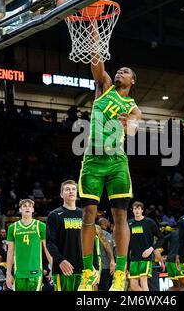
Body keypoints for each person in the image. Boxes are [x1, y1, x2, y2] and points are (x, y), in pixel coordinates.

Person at [78, 23, 142, 292]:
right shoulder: (104, 86)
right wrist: (94, 27)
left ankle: (120, 273)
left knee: (120, 216)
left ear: (133, 81)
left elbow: (133, 130)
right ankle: (87, 271)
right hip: (93, 161)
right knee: (88, 213)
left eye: (125, 72)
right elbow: (97, 60)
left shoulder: (134, 108)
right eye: (119, 70)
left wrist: (126, 123)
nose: (120, 72)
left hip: (117, 162)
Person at [46, 180, 84, 291]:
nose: (71, 192)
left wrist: (94, 266)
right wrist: (60, 260)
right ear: (61, 194)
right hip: (62, 269)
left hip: (83, 268)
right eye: (67, 189)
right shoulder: (54, 215)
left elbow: (91, 242)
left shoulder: (84, 214)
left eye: (73, 189)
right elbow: (49, 242)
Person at [6, 199, 51, 291]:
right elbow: (10, 252)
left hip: (36, 272)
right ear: (20, 209)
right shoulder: (12, 228)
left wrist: (52, 267)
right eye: (24, 206)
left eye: (29, 206)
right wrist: (8, 274)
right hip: (19, 273)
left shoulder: (40, 226)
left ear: (33, 210)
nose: (27, 207)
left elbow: (47, 248)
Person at [127, 201, 165, 291]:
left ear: (142, 210)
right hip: (133, 258)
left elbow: (161, 238)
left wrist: (151, 249)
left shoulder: (149, 222)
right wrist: (126, 261)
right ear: (132, 210)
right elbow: (127, 244)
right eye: (135, 208)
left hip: (146, 258)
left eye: (139, 208)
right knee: (133, 286)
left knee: (143, 282)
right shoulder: (129, 223)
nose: (137, 210)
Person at [97, 218, 116, 291]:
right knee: (105, 288)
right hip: (106, 266)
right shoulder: (107, 235)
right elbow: (111, 250)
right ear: (105, 224)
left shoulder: (92, 233)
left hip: (96, 266)